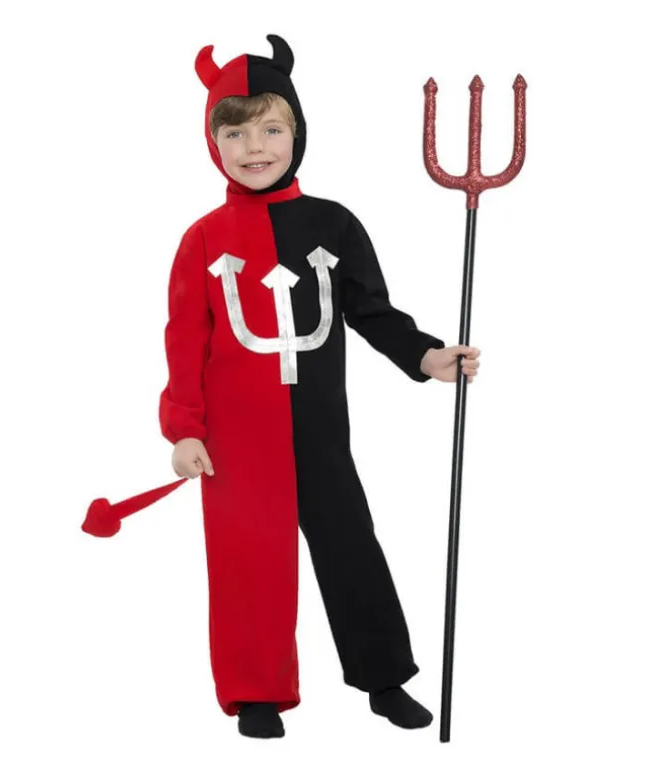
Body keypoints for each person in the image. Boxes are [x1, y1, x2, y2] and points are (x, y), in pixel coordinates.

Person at [159, 34, 481, 739]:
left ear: (298, 131)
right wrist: (184, 429)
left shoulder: (333, 224)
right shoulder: (203, 240)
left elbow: (370, 310)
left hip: (318, 431)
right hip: (235, 440)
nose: (254, 147)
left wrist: (425, 355)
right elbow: (185, 341)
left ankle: (384, 678)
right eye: (235, 133)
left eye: (271, 129)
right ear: (214, 142)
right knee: (248, 559)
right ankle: (256, 692)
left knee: (349, 545)